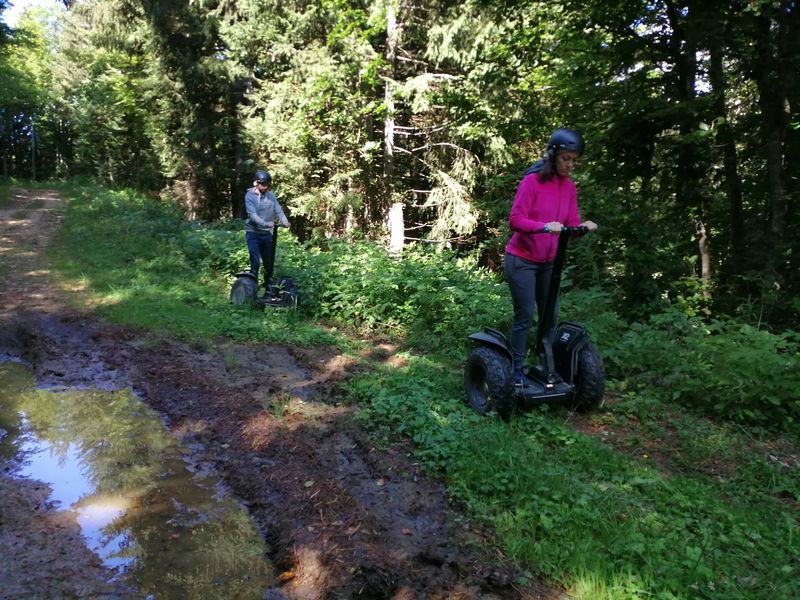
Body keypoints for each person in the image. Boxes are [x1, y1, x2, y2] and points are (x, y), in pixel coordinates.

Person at [504, 128, 598, 387]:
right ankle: (515, 369)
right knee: (525, 315)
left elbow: (570, 223)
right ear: (553, 156)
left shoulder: (569, 187)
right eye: (566, 158)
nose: (570, 164)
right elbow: (515, 220)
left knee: (550, 316)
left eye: (574, 160)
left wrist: (583, 227)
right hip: (521, 259)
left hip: (549, 263)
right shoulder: (532, 182)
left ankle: (545, 366)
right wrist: (543, 226)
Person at [244, 169, 290, 295]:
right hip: (253, 233)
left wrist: (284, 221)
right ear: (256, 183)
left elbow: (278, 210)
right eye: (263, 184)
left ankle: (268, 291)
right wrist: (265, 223)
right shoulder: (249, 196)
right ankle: (251, 292)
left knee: (269, 264)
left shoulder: (271, 195)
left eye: (267, 184)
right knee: (255, 262)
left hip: (266, 235)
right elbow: (252, 215)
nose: (266, 187)